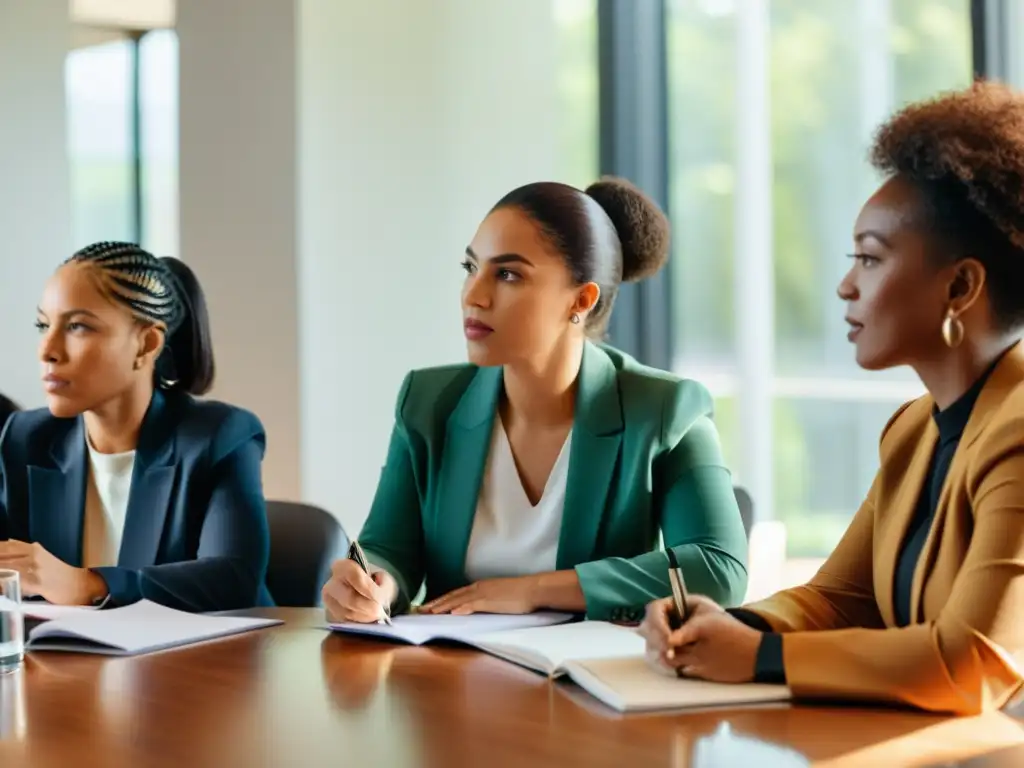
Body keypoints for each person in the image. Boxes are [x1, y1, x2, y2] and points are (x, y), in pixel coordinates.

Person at [639, 81, 1024, 716]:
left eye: (870, 260)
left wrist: (758, 660)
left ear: (960, 286)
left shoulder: (1017, 434)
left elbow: (973, 662)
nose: (846, 286)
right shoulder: (915, 430)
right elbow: (843, 599)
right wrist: (733, 625)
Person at [322, 177, 748, 624]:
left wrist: (535, 590)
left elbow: (719, 569)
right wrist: (375, 584)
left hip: (586, 681)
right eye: (471, 268)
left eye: (507, 274)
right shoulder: (428, 403)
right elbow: (389, 548)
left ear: (581, 299)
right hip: (451, 675)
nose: (473, 295)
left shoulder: (664, 409)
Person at [0, 242, 271, 612]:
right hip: (66, 664)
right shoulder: (25, 437)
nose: (47, 350)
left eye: (77, 326)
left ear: (147, 343)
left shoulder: (219, 436)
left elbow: (232, 578)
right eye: (43, 325)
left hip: (210, 664)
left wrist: (89, 583)